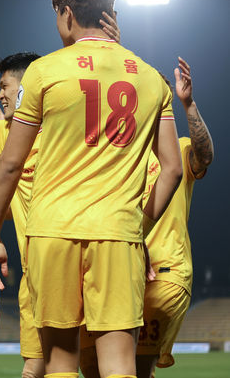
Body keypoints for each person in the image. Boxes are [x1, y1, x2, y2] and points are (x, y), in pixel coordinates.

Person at [0, 0, 183, 378]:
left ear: (67, 14)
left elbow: (12, 163)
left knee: (59, 363)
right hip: (118, 232)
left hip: (53, 231)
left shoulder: (44, 71)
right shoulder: (150, 78)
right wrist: (139, 228)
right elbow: (173, 170)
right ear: (111, 12)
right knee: (119, 365)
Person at [80, 58, 214, 378]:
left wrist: (189, 104)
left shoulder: (180, 150)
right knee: (91, 365)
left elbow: (205, 155)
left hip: (163, 276)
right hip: (117, 268)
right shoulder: (117, 154)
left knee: (134, 369)